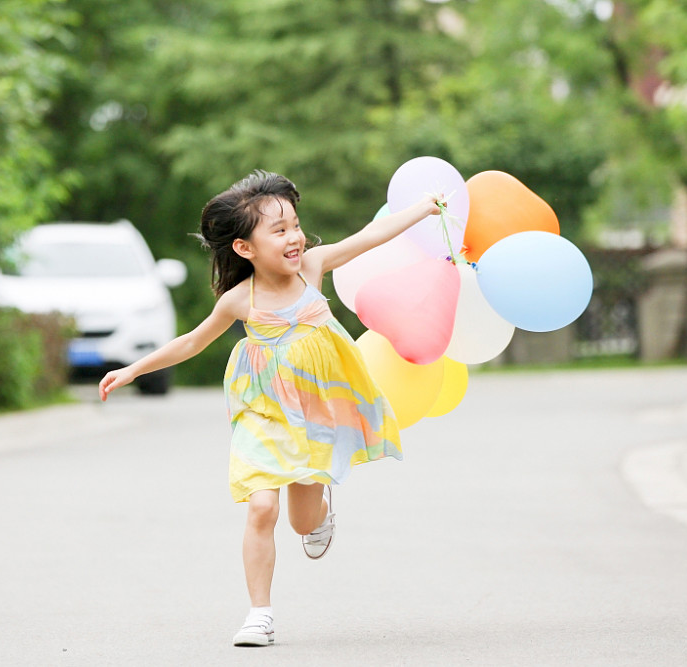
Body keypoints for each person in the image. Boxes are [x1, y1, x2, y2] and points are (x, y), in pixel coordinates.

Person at [98, 170, 442, 647]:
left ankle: (320, 514)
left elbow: (369, 236)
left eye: (295, 225)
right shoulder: (240, 299)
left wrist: (422, 208)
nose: (295, 237)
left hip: (316, 411)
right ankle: (259, 614)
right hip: (262, 410)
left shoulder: (313, 267)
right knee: (261, 507)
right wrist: (133, 369)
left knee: (301, 522)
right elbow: (192, 342)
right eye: (278, 231)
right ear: (245, 248)